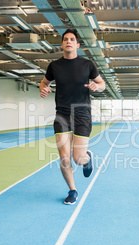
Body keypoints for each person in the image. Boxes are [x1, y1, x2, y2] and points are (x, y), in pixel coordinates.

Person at [39, 29, 105, 205]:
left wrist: (96, 87)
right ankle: (72, 190)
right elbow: (44, 82)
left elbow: (102, 84)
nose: (68, 41)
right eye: (65, 39)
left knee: (78, 159)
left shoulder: (87, 64)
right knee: (64, 157)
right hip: (62, 114)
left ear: (77, 45)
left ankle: (87, 158)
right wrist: (43, 89)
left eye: (72, 39)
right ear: (62, 44)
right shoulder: (54, 66)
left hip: (82, 113)